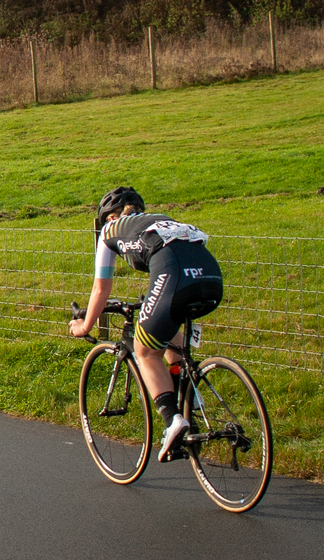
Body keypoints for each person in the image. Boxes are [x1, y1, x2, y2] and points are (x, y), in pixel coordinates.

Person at [69, 186, 224, 461]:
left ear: (108, 218)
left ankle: (172, 420)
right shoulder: (160, 218)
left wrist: (84, 327)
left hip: (174, 275)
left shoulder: (109, 232)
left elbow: (100, 289)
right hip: (210, 278)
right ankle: (187, 401)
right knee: (170, 338)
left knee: (145, 352)